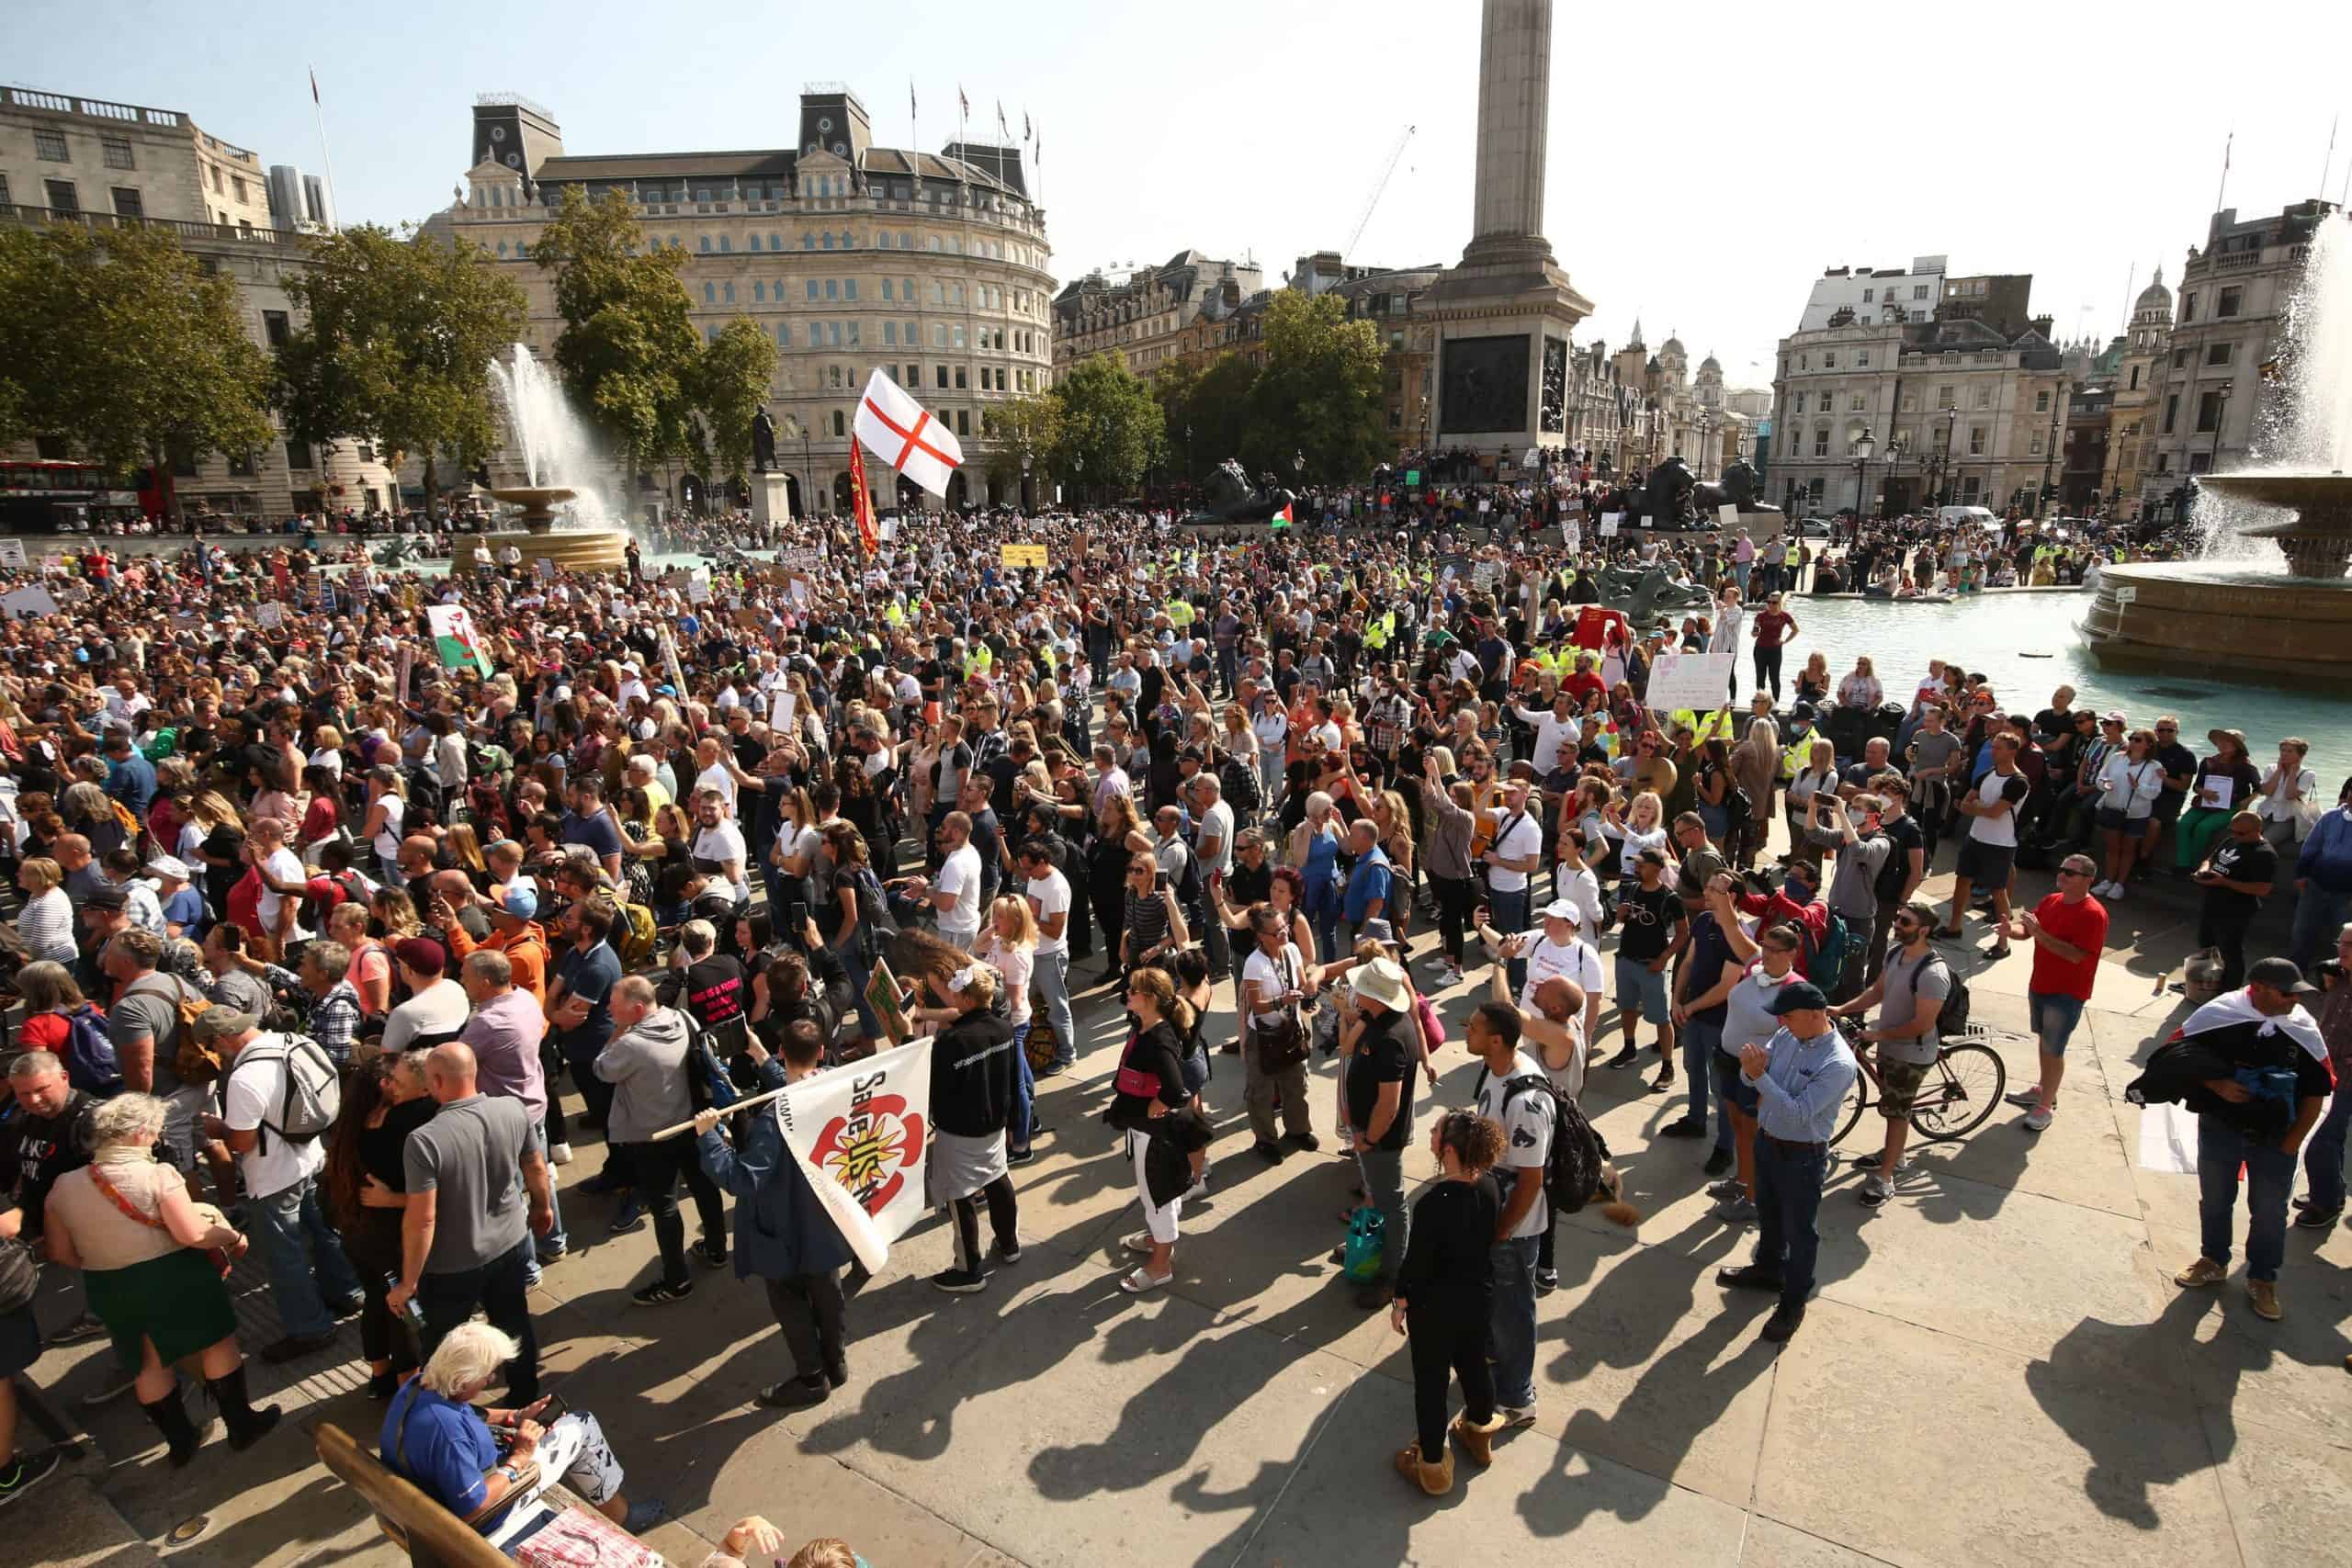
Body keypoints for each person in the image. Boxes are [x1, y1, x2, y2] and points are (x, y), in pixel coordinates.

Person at [42, 1092, 280, 1466]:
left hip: (109, 1285)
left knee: (148, 1363)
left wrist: (106, 1260)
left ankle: (181, 1442)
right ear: (137, 1133)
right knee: (216, 1345)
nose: (157, 1137)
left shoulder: (63, 1186)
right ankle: (242, 1425)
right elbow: (193, 1235)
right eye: (154, 1130)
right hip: (173, 1277)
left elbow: (58, 1253)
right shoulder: (158, 1175)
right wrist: (233, 1237)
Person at [380, 1321, 662, 1548]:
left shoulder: (421, 1385)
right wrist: (518, 1459)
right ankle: (622, 1516)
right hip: (488, 1517)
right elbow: (472, 1508)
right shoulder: (448, 1435)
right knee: (582, 1427)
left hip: (421, 1501)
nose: (492, 1380)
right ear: (462, 1378)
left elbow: (469, 1412)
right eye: (487, 1375)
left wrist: (514, 1416)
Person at [693, 1020, 854, 1409]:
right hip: (827, 1220)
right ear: (821, 1052)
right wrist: (764, 1060)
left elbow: (741, 1179)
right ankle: (835, 1362)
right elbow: (800, 1086)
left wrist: (710, 1137)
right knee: (828, 1295)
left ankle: (812, 1379)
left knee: (792, 1304)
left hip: (783, 1227)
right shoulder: (836, 1082)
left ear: (784, 1051)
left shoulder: (772, 1120)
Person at [192, 1010, 368, 1362]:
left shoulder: (244, 1078)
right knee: (326, 1230)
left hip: (273, 1176)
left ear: (224, 1038)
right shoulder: (295, 1041)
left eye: (212, 1045)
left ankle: (310, 1329)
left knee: (285, 1256)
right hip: (313, 1155)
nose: (213, 1054)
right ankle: (348, 1291)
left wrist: (217, 1128)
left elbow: (242, 1142)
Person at [390, 1043, 556, 1402]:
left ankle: (444, 1412)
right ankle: (526, 1393)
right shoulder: (512, 1109)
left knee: (442, 1345)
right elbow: (536, 1166)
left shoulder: (423, 1141)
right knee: (514, 1321)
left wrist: (408, 1282)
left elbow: (422, 1219)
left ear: (435, 1081)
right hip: (510, 1244)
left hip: (452, 1265)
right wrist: (542, 1208)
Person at [2170, 959, 2332, 1322]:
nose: (2294, 1000)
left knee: (2271, 1212)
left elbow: (2318, 1091)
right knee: (2215, 1199)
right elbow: (2177, 1056)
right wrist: (2216, 1085)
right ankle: (2213, 1260)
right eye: (2286, 993)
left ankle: (2262, 1278)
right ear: (2257, 988)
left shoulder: (2302, 1028)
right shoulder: (2220, 1014)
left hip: (2276, 1142)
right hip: (2220, 1130)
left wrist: (2293, 1143)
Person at [1715, 980, 1857, 1342]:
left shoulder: (1838, 1063)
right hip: (1768, 1142)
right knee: (1769, 1212)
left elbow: (1797, 1114)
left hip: (1802, 1154)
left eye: (1789, 1016)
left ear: (1815, 1015)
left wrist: (1761, 1079)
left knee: (1800, 1231)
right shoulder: (1787, 1037)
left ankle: (1793, 1301)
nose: (1783, 1024)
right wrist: (1752, 1073)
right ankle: (1767, 1269)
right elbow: (1755, 1078)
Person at [1387, 1108, 1508, 1497]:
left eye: (1436, 1130)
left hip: (1435, 1310)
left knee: (1432, 1381)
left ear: (1449, 1149)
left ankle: (1433, 1468)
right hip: (1476, 1300)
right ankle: (1479, 1431)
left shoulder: (1433, 1203)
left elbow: (1416, 1263)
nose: (1431, 1132)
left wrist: (1400, 1300)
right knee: (1473, 1364)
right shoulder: (1490, 1187)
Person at [598, 976, 729, 1303]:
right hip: (693, 1124)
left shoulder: (629, 1044)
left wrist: (617, 1033)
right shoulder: (682, 1018)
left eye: (615, 1006)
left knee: (665, 1207)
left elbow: (602, 1069)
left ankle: (677, 1280)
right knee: (704, 1187)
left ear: (637, 1009)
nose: (610, 1010)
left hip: (652, 1136)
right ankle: (716, 1249)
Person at [322, 1051, 435, 1399]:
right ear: (385, 1087)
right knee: (404, 1313)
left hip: (358, 1234)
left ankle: (380, 1376)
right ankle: (409, 1391)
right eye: (395, 1081)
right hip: (394, 1237)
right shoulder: (404, 1123)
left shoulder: (349, 1127)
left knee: (376, 1299)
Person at [904, 960, 1021, 1292]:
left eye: (956, 992)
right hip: (995, 1126)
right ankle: (1009, 1245)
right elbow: (1012, 1080)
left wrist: (907, 1036)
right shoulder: (1003, 1028)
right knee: (999, 1180)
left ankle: (969, 1269)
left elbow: (929, 1086)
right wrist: (1013, 1124)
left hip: (958, 1133)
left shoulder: (953, 1043)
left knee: (960, 1197)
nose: (951, 996)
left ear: (969, 1000)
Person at [1830, 902, 1951, 1208]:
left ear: (1923, 930)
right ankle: (1893, 1153)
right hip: (1889, 1047)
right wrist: (1843, 1008)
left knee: (1897, 1114)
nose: (1897, 923)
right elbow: (1878, 991)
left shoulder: (1933, 974)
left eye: (1905, 921)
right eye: (1897, 918)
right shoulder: (1895, 953)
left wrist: (1879, 1034)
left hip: (1912, 1054)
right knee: (1891, 1105)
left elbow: (1922, 1024)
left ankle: (1886, 1177)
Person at [1464, 999, 1549, 1428]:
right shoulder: (1495, 1071)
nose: (1467, 1031)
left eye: (1475, 1028)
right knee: (1498, 1306)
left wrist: (1500, 1232)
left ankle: (1517, 1399)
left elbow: (1531, 1180)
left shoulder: (1527, 1099)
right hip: (1493, 1216)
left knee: (1514, 1312)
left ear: (1496, 1041)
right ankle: (1499, 1364)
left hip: (1514, 1228)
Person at [1106, 966, 1197, 1294]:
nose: (1127, 994)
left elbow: (1174, 1090)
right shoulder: (1146, 1023)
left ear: (1149, 999)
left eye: (1133, 990)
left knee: (1156, 1195)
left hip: (1154, 1134)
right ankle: (1160, 1240)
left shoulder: (1159, 1037)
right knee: (1161, 1192)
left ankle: (1160, 1265)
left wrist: (1153, 1107)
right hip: (1146, 1130)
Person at [2002, 855, 2108, 1132]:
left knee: (2054, 1047)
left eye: (2070, 873)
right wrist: (2009, 931)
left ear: (2088, 879)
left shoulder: (2093, 915)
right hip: (2040, 984)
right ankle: (2043, 1089)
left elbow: (2074, 955)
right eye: (2061, 870)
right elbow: (2026, 930)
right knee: (2044, 1041)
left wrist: (2039, 933)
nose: (2062, 875)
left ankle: (2045, 1106)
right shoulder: (2051, 901)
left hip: (2067, 993)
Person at [1343, 956, 1419, 1310]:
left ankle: (1393, 1277)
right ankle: (1375, 1254)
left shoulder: (1390, 1038)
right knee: (1380, 1195)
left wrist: (1369, 1138)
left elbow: (1389, 1104)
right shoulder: (1380, 1020)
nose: (1355, 990)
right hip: (1371, 1136)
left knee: (1391, 1205)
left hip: (1381, 1140)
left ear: (1374, 995)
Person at [1239, 904, 1317, 1163]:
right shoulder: (1254, 963)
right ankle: (1266, 1140)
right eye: (1276, 932)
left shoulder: (1292, 951)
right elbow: (1258, 1007)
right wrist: (1281, 1001)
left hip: (1291, 1030)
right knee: (1261, 1092)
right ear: (1261, 936)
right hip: (1263, 1037)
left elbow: (1302, 983)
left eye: (1284, 928)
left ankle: (1297, 1130)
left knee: (1296, 1084)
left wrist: (1309, 995)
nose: (1283, 934)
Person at [1939, 732, 2028, 958]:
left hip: (2000, 843)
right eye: (1993, 747)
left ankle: (2003, 943)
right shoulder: (1987, 775)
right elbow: (1963, 804)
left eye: (1998, 748)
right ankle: (1954, 926)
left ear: (2012, 752)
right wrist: (1981, 808)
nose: (1992, 751)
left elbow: (1995, 812)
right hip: (1976, 837)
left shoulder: (2018, 782)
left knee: (1998, 891)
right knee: (1962, 881)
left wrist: (1978, 807)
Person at [2291, 925, 2352, 1227]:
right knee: (2331, 1137)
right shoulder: (2337, 975)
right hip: (2325, 1068)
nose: (2341, 950)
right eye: (2340, 943)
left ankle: (2325, 1203)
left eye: (2349, 945)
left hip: (2347, 1077)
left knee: (2321, 1137)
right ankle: (2332, 1192)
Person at [2193, 810, 2278, 993]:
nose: (2234, 836)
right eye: (2232, 831)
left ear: (2257, 830)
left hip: (2236, 909)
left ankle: (2229, 990)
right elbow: (2211, 858)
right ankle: (2203, 984)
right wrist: (2203, 870)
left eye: (2240, 833)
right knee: (2206, 943)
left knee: (2229, 951)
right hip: (2212, 902)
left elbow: (2263, 889)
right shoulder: (2232, 840)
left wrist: (2224, 882)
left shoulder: (2264, 854)